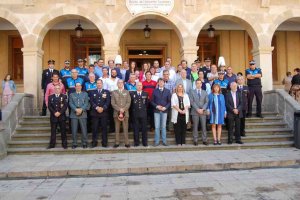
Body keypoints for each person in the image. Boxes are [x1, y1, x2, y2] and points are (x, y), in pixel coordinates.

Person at [89, 79, 110, 148]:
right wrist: (97, 108)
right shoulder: (92, 92)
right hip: (95, 113)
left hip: (104, 113)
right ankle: (94, 142)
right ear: (96, 84)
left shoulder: (106, 92)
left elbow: (108, 101)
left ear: (102, 84)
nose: (99, 84)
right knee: (94, 128)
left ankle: (104, 142)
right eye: (97, 83)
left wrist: (103, 108)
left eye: (100, 83)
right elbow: (91, 102)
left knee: (104, 128)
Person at [111, 79, 131, 148]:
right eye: (118, 83)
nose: (120, 84)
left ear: (123, 84)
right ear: (117, 84)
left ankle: (126, 142)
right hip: (116, 113)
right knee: (117, 128)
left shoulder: (127, 92)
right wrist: (119, 109)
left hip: (125, 113)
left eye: (121, 83)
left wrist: (123, 109)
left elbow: (128, 102)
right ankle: (117, 142)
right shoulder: (114, 92)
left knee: (125, 128)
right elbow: (113, 103)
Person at [69, 82, 89, 149]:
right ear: (75, 87)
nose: (78, 87)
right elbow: (70, 103)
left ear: (81, 87)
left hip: (83, 114)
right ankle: (74, 143)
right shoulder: (71, 94)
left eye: (79, 86)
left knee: (84, 129)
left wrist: (81, 110)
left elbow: (86, 103)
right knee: (74, 130)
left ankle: (84, 142)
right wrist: (76, 109)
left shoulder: (85, 94)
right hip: (74, 114)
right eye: (77, 86)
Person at [151, 78, 171, 146]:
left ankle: (164, 141)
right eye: (160, 82)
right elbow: (152, 101)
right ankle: (156, 142)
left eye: (162, 82)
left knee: (163, 126)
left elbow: (169, 102)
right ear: (158, 83)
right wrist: (157, 106)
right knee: (157, 127)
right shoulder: (154, 91)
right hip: (156, 111)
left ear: (164, 83)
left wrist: (165, 107)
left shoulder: (168, 91)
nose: (161, 83)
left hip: (164, 111)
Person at [47, 85, 68, 149]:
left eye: (58, 88)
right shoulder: (50, 97)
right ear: (54, 89)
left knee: (63, 131)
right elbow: (49, 106)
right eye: (56, 88)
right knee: (53, 131)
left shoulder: (64, 96)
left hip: (62, 117)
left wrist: (60, 112)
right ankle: (52, 144)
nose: (57, 89)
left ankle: (64, 144)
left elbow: (65, 106)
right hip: (53, 117)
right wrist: (54, 112)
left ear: (60, 89)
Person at [189, 79, 209, 146]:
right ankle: (195, 140)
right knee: (195, 126)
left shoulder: (205, 92)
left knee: (204, 126)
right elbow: (192, 101)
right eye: (197, 83)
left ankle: (204, 140)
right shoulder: (192, 92)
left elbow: (206, 102)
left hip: (203, 112)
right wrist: (197, 109)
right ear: (195, 84)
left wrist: (203, 109)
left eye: (200, 83)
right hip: (195, 111)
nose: (199, 84)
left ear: (201, 84)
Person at [130, 82, 148, 147]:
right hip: (135, 113)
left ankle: (144, 142)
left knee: (144, 129)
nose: (139, 86)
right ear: (136, 86)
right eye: (138, 85)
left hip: (143, 113)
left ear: (142, 86)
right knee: (136, 128)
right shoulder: (132, 94)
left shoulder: (145, 93)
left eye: (140, 85)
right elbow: (131, 104)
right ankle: (136, 142)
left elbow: (146, 104)